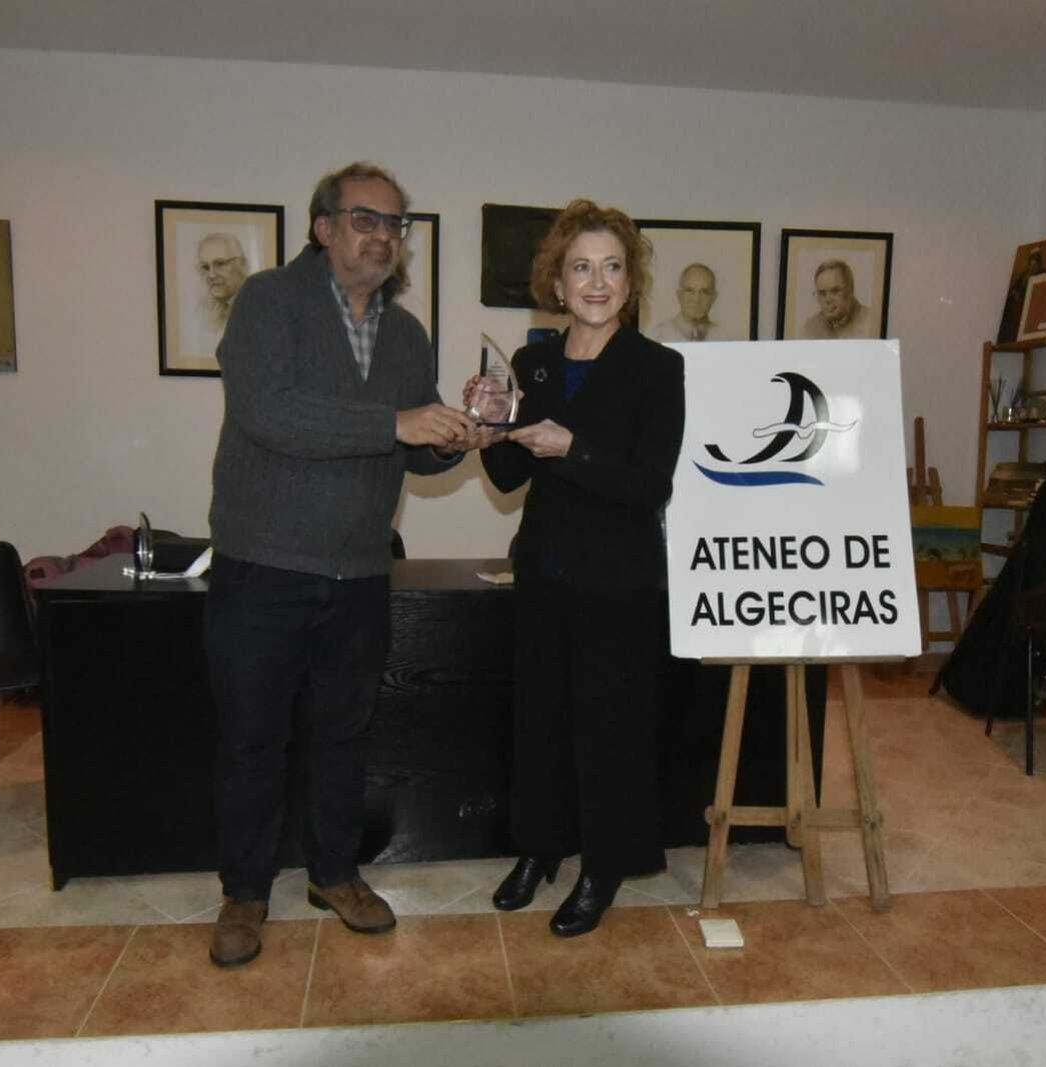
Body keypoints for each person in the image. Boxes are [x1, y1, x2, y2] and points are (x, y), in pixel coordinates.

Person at [205, 161, 483, 969]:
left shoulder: (406, 333)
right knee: (252, 738)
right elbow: (272, 414)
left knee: (343, 735)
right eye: (365, 218)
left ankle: (334, 873)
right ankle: (245, 893)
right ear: (324, 228)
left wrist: (455, 437)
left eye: (395, 224)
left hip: (360, 573)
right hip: (263, 566)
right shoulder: (267, 302)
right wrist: (400, 420)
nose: (382, 236)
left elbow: (406, 454)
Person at [475, 199, 685, 938]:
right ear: (557, 285)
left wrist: (575, 450)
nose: (597, 281)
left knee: (608, 731)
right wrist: (491, 418)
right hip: (542, 573)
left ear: (631, 282)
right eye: (581, 267)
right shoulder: (533, 361)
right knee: (539, 722)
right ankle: (540, 849)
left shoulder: (658, 369)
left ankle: (604, 866)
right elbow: (505, 474)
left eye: (613, 266)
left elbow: (649, 484)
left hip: (619, 583)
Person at [800, 259, 877, 339]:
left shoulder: (871, 322)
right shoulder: (811, 327)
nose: (827, 300)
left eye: (835, 291)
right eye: (822, 293)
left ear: (850, 290)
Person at [649, 262, 722, 342]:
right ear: (679, 295)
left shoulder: (723, 338)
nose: (696, 299)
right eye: (689, 290)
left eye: (704, 292)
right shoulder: (657, 336)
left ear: (714, 297)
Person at [197, 232, 249, 329]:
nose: (211, 275)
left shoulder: (256, 304)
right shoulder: (202, 309)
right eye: (205, 267)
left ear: (242, 264)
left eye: (220, 264)